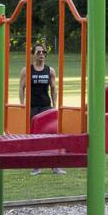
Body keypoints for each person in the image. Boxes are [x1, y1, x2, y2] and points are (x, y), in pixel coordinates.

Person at [23, 45, 66, 175]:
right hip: (32, 107)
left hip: (46, 106)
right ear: (33, 54)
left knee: (51, 135)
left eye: (44, 52)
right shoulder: (27, 70)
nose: (41, 54)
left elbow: (53, 89)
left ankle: (55, 166)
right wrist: (22, 104)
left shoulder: (50, 70)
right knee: (35, 137)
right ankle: (36, 166)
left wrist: (54, 106)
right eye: (39, 52)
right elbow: (21, 88)